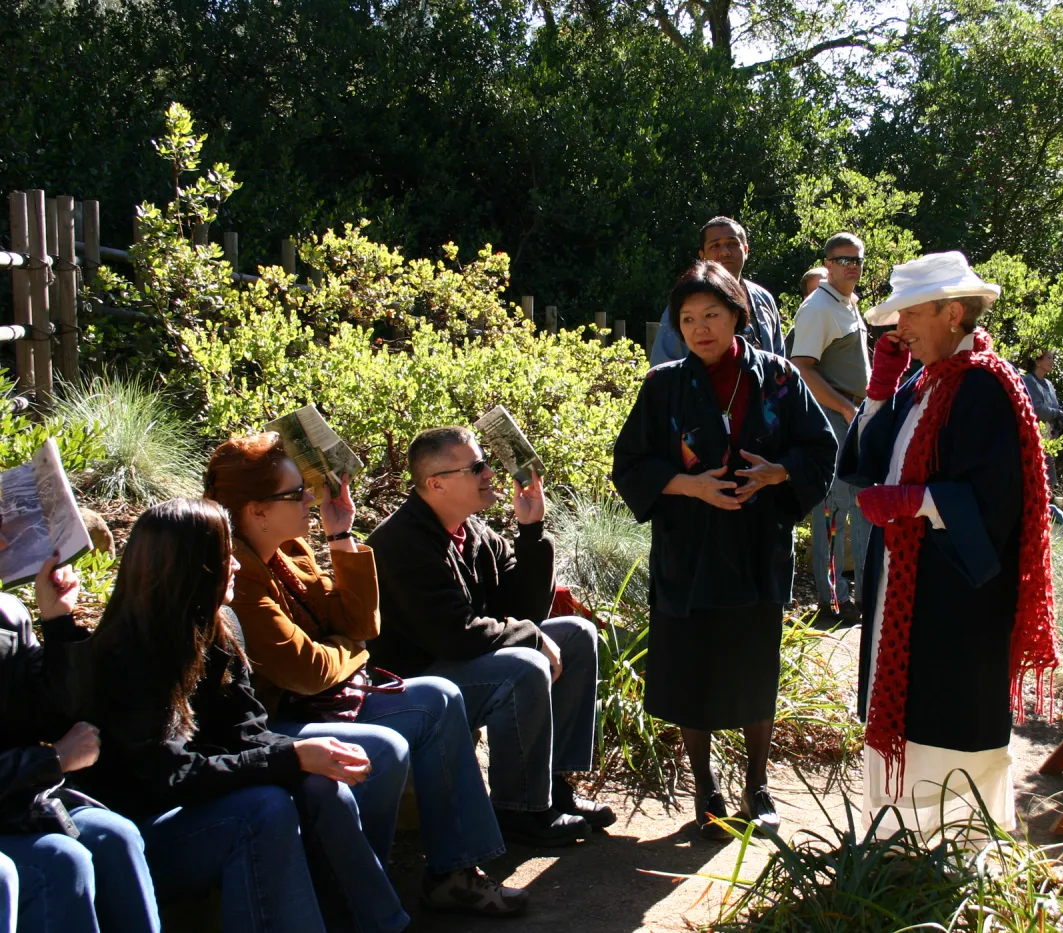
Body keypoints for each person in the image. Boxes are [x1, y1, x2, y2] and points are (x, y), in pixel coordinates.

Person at [204, 434, 526, 916]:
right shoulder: (239, 575)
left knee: (436, 698)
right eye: (295, 494)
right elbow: (308, 672)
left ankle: (455, 871)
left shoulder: (288, 548)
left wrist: (340, 537)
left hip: (326, 699)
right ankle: (356, 896)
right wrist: (350, 652)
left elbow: (360, 624)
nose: (311, 498)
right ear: (256, 510)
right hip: (278, 722)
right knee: (384, 745)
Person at [76, 498, 410, 933]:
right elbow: (171, 776)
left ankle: (381, 925)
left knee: (323, 786)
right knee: (264, 808)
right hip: (148, 831)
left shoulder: (220, 625)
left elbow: (248, 730)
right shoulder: (130, 653)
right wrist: (290, 758)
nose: (235, 564)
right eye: (223, 554)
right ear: (191, 566)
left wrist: (304, 753)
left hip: (204, 800)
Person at [838, 251, 1058, 842]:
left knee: (943, 727)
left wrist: (917, 502)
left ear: (952, 312)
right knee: (910, 722)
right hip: (911, 587)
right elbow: (866, 463)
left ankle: (943, 853)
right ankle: (895, 846)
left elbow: (993, 500)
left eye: (909, 314)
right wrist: (880, 392)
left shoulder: (984, 387)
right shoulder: (922, 380)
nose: (898, 328)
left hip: (954, 599)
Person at [613, 260, 836, 836]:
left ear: (737, 314)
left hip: (757, 545)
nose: (699, 328)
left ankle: (758, 785)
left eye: (711, 314)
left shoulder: (780, 379)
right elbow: (631, 463)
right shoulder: (662, 383)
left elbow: (821, 448)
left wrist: (777, 473)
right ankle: (705, 786)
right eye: (687, 318)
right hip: (686, 550)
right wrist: (689, 484)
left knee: (753, 668)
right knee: (692, 670)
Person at [367, 431, 614, 847]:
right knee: (525, 664)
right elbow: (454, 635)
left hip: (460, 664)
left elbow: (526, 607)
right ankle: (520, 809)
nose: (489, 474)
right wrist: (532, 639)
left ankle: (554, 788)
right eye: (476, 467)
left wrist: (531, 530)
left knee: (576, 634)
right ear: (436, 484)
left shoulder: (472, 532)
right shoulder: (401, 543)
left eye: (485, 464)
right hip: (415, 684)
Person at [0, 561, 159, 933]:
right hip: (15, 799)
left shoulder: (8, 615)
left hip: (18, 803)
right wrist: (51, 759)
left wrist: (57, 623)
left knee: (115, 836)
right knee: (60, 860)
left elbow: (54, 714)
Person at [790, 233, 873, 624]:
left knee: (862, 510)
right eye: (843, 260)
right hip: (833, 421)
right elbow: (801, 369)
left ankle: (860, 598)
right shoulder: (818, 307)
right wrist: (843, 407)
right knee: (832, 514)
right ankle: (833, 603)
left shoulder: (846, 304)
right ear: (827, 264)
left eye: (857, 260)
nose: (852, 266)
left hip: (854, 419)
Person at [650, 216, 783, 365]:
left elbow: (780, 363)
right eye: (715, 246)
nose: (725, 252)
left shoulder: (764, 299)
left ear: (746, 250)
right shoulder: (686, 305)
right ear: (703, 256)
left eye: (732, 244)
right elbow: (663, 369)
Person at [1020, 348, 1063, 490]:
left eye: (1052, 358)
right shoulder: (1028, 381)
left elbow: (1054, 407)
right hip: (1034, 439)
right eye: (1048, 358)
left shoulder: (1049, 384)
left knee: (1049, 482)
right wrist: (1058, 413)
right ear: (1037, 360)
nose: (1052, 361)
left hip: (1050, 437)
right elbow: (1037, 410)